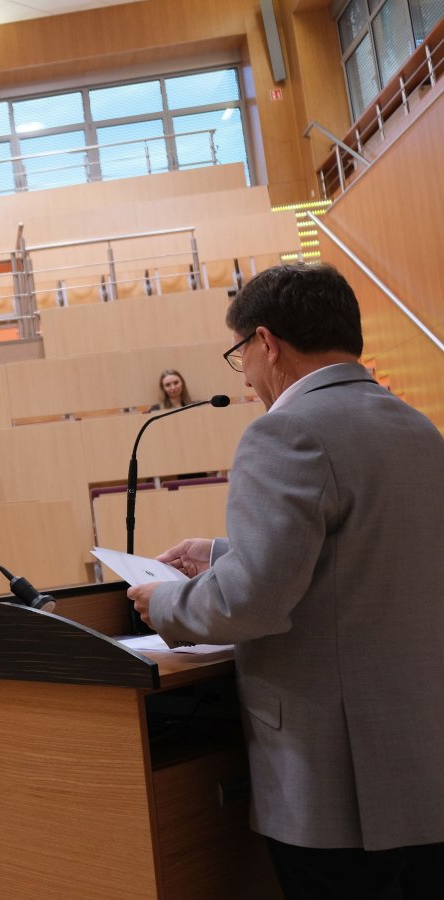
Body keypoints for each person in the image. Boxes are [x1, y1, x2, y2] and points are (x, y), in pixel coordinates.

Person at [127, 264, 444, 900]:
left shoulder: (286, 430)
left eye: (239, 354)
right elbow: (366, 553)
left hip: (334, 772)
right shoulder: (419, 428)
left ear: (266, 342)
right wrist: (220, 552)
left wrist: (164, 601)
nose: (244, 377)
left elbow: (248, 603)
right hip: (420, 758)